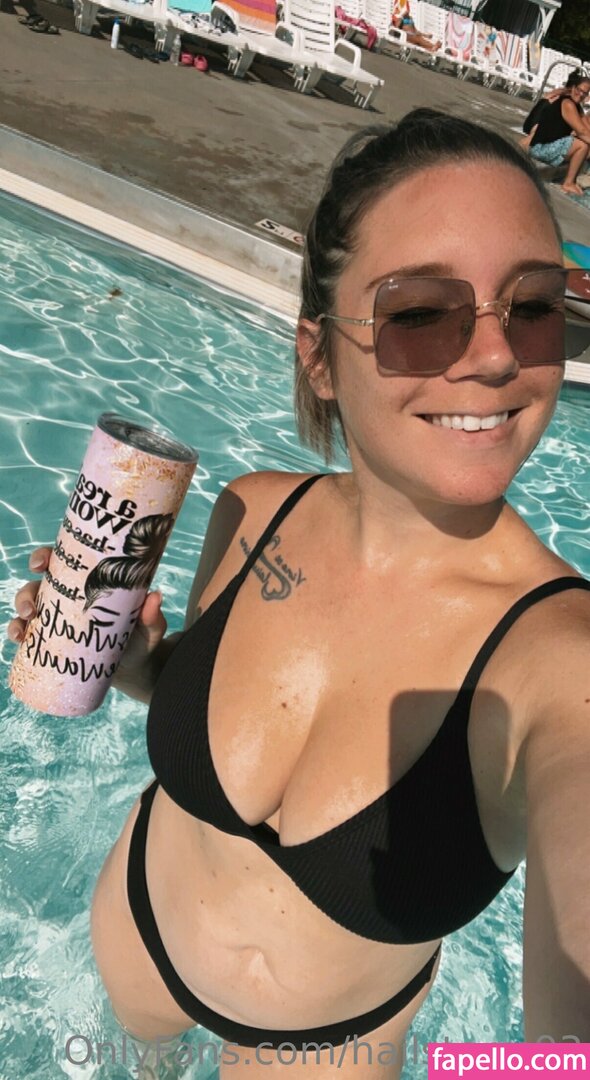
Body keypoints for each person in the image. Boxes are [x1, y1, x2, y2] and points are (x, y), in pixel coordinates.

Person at [8, 109, 590, 1078]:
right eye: (419, 312)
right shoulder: (253, 512)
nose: (495, 356)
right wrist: (143, 668)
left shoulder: (559, 659)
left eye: (530, 305)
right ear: (319, 356)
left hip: (327, 1046)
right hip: (140, 937)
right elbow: (204, 698)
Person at [527, 72, 590, 195]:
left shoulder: (577, 107)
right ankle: (568, 183)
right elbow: (582, 132)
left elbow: (585, 128)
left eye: (585, 93)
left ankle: (576, 179)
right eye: (579, 90)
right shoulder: (567, 104)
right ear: (573, 88)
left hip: (550, 147)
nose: (581, 94)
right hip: (540, 149)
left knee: (586, 146)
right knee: (582, 146)